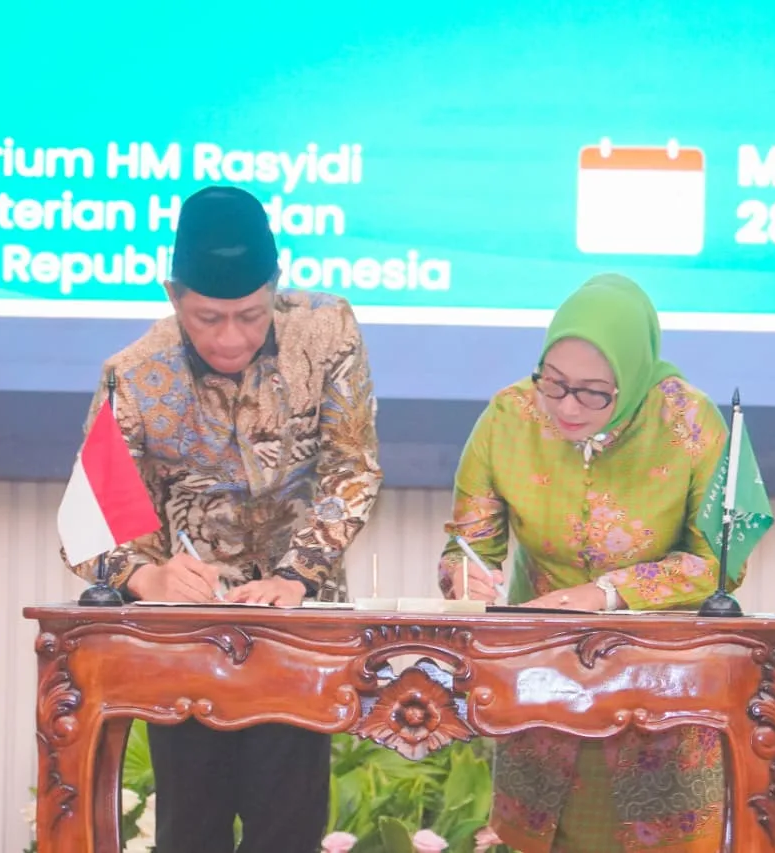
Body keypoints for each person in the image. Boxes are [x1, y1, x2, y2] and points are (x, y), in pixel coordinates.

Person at [62, 185, 383, 852]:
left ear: (275, 288)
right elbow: (87, 528)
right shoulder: (135, 376)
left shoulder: (327, 332)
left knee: (289, 830)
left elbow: (352, 467)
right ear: (173, 295)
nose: (230, 338)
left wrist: (296, 575)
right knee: (191, 830)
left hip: (298, 629)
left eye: (251, 315)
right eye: (208, 318)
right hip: (187, 636)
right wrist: (148, 579)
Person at [438, 273, 731, 852]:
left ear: (633, 376)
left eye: (594, 392)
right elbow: (467, 544)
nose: (567, 406)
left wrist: (605, 593)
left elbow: (717, 563)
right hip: (543, 679)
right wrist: (462, 576)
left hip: (658, 685)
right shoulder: (510, 415)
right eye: (554, 382)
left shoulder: (689, 423)